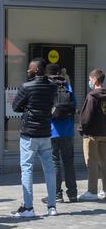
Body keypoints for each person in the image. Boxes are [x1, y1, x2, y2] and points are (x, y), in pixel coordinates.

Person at [11, 58, 58, 218]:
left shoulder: (26, 86)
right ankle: (52, 206)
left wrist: (28, 107)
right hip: (45, 132)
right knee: (49, 169)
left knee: (27, 169)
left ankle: (28, 207)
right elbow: (51, 104)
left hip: (29, 134)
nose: (27, 70)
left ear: (37, 69)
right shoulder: (52, 86)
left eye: (30, 68)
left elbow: (16, 106)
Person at [42, 64, 78, 203]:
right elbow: (74, 104)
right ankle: (73, 194)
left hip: (52, 131)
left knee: (54, 163)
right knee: (69, 162)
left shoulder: (48, 86)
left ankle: (57, 194)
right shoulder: (67, 85)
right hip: (68, 131)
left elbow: (45, 108)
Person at [78, 69, 106, 201]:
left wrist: (81, 129)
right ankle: (104, 190)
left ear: (94, 80)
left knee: (91, 163)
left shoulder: (92, 96)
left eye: (90, 80)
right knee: (104, 162)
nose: (89, 82)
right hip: (104, 133)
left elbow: (86, 117)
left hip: (91, 134)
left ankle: (92, 190)